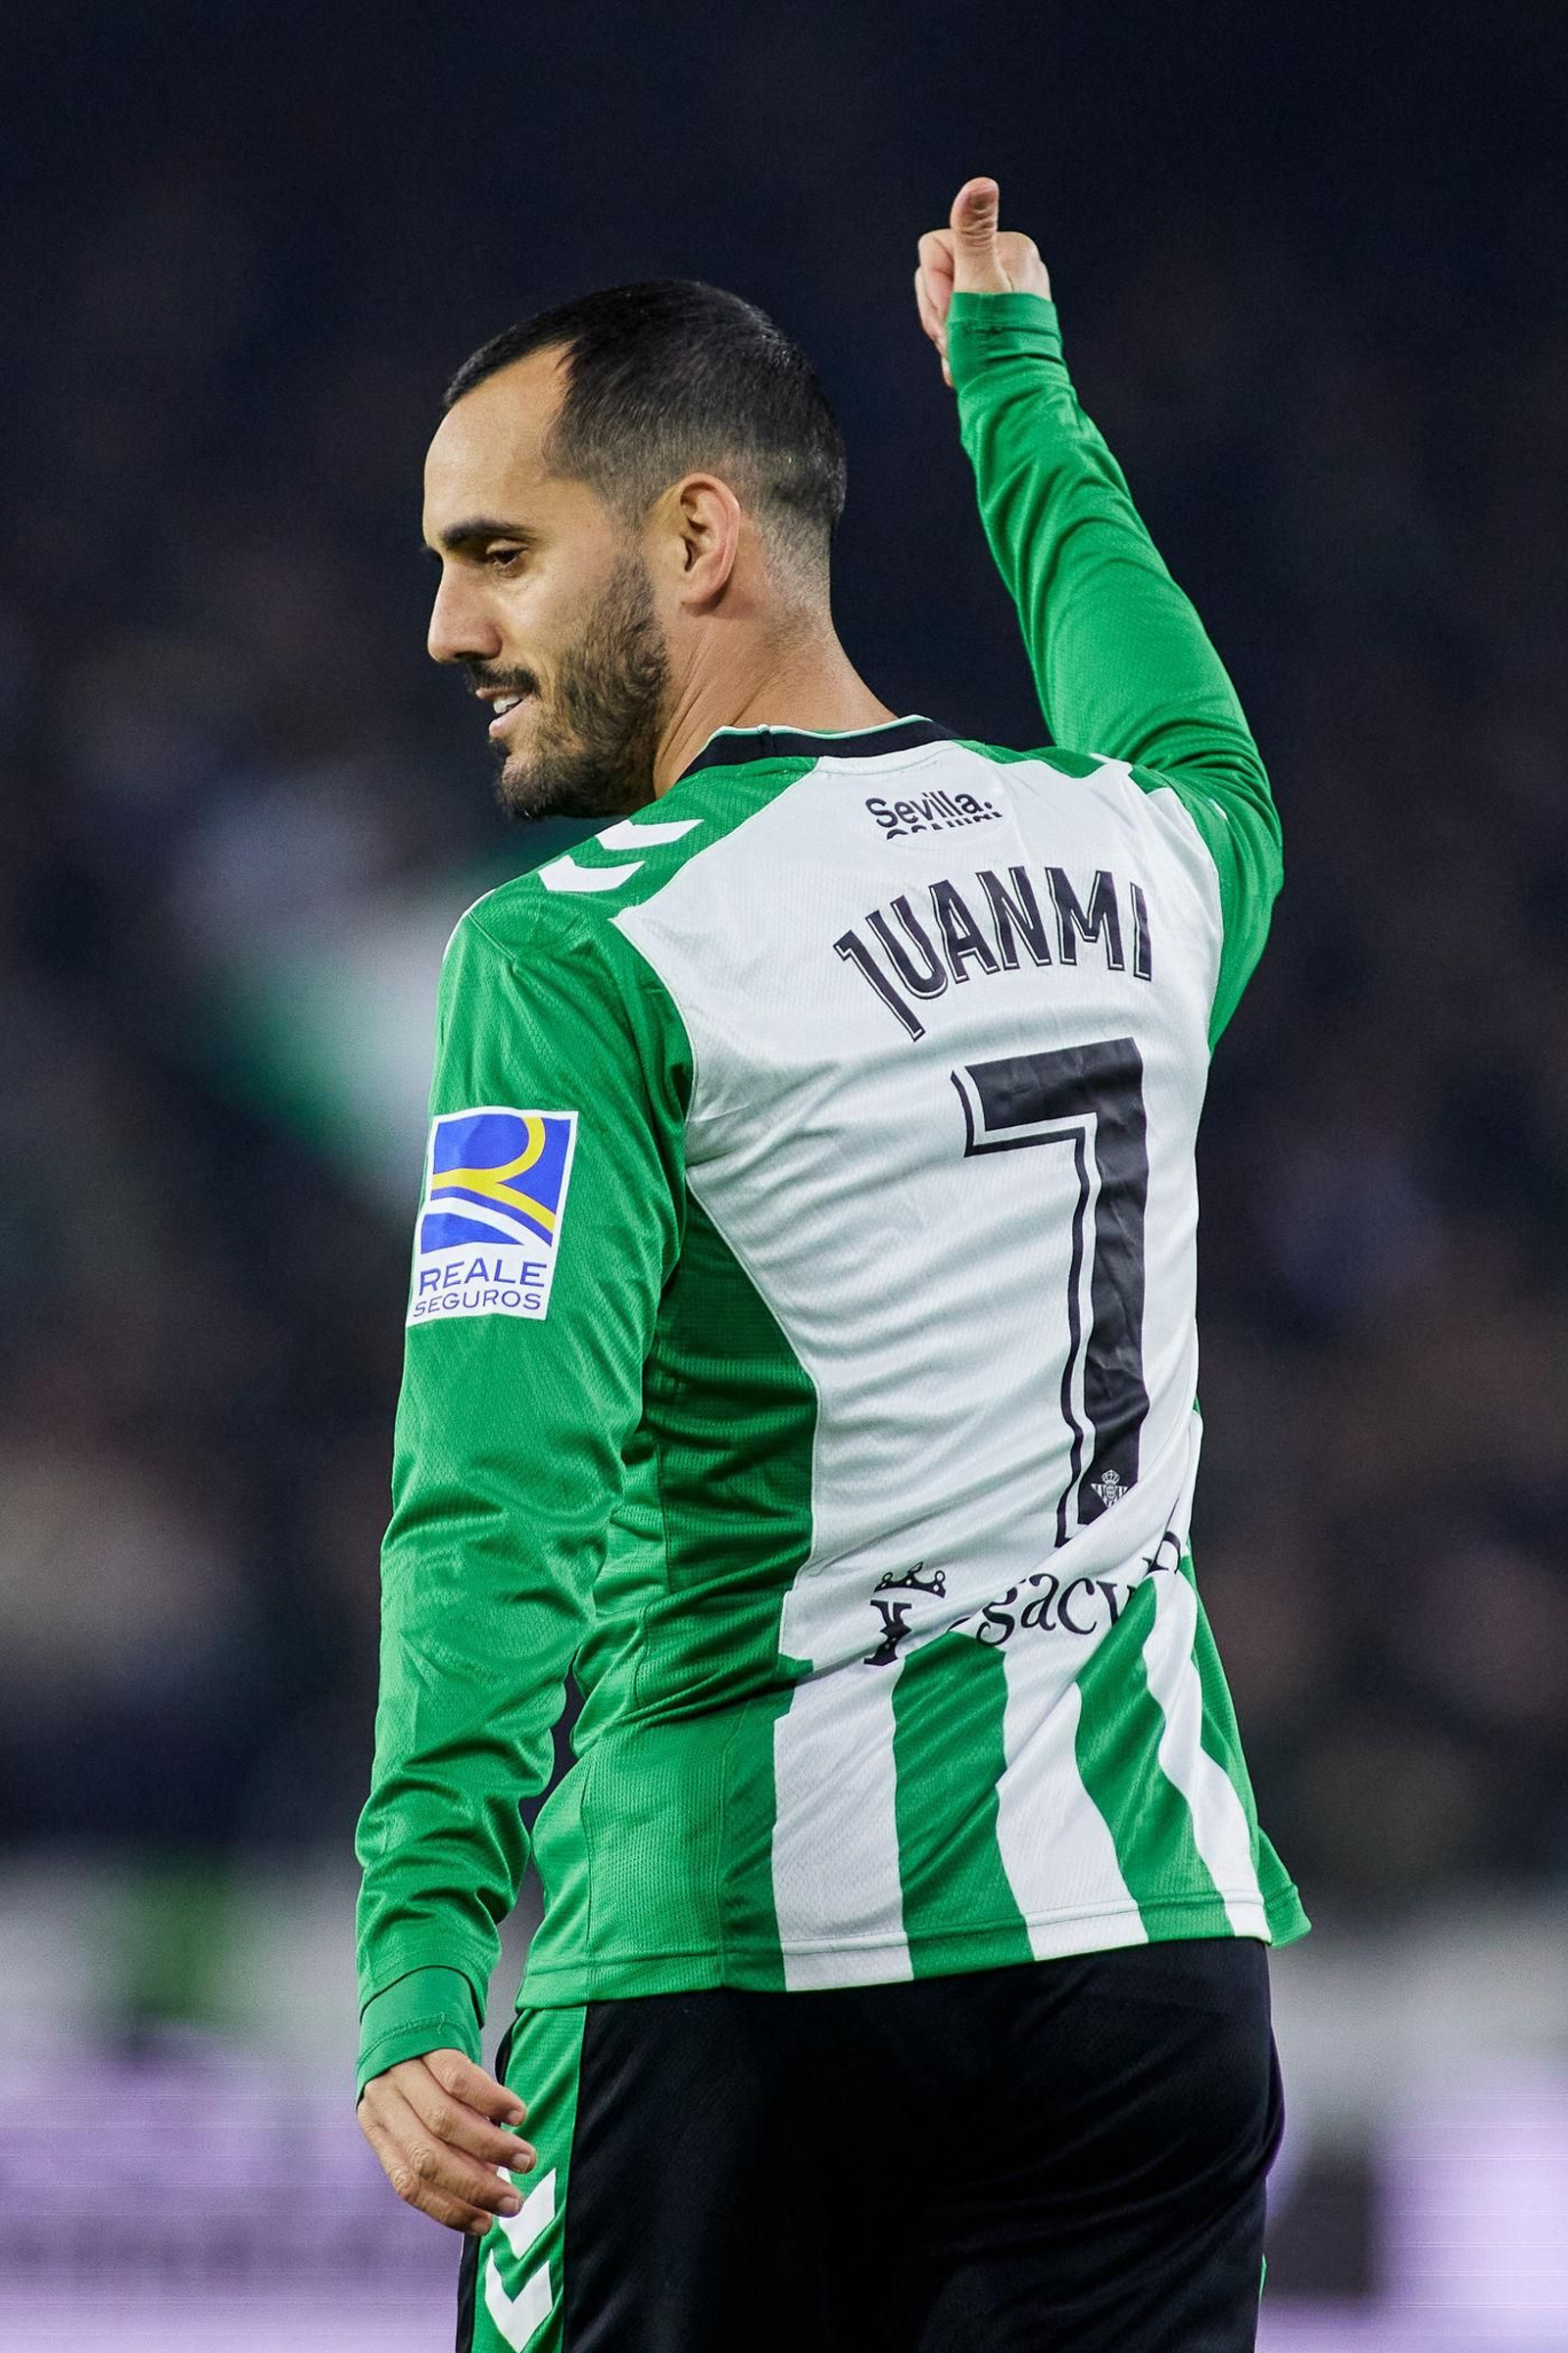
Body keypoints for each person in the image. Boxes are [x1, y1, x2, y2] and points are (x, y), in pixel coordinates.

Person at [353, 176, 1306, 2352]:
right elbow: (1192, 740)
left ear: (695, 540)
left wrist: (422, 1937)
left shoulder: (580, 950)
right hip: (1131, 1951)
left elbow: (497, 1474)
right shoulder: (1139, 860)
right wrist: (1017, 393)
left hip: (730, 1975)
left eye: (494, 553)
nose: (444, 629)